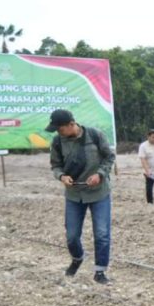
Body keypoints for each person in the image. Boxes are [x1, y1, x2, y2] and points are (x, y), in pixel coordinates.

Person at [47, 109, 115, 284]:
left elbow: (109, 157)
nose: (58, 132)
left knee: (102, 233)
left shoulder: (95, 135)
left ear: (71, 124)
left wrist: (100, 174)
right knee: (72, 235)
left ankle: (100, 271)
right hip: (74, 194)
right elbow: (55, 165)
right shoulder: (58, 141)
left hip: (99, 192)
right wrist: (62, 176)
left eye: (60, 129)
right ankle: (77, 258)